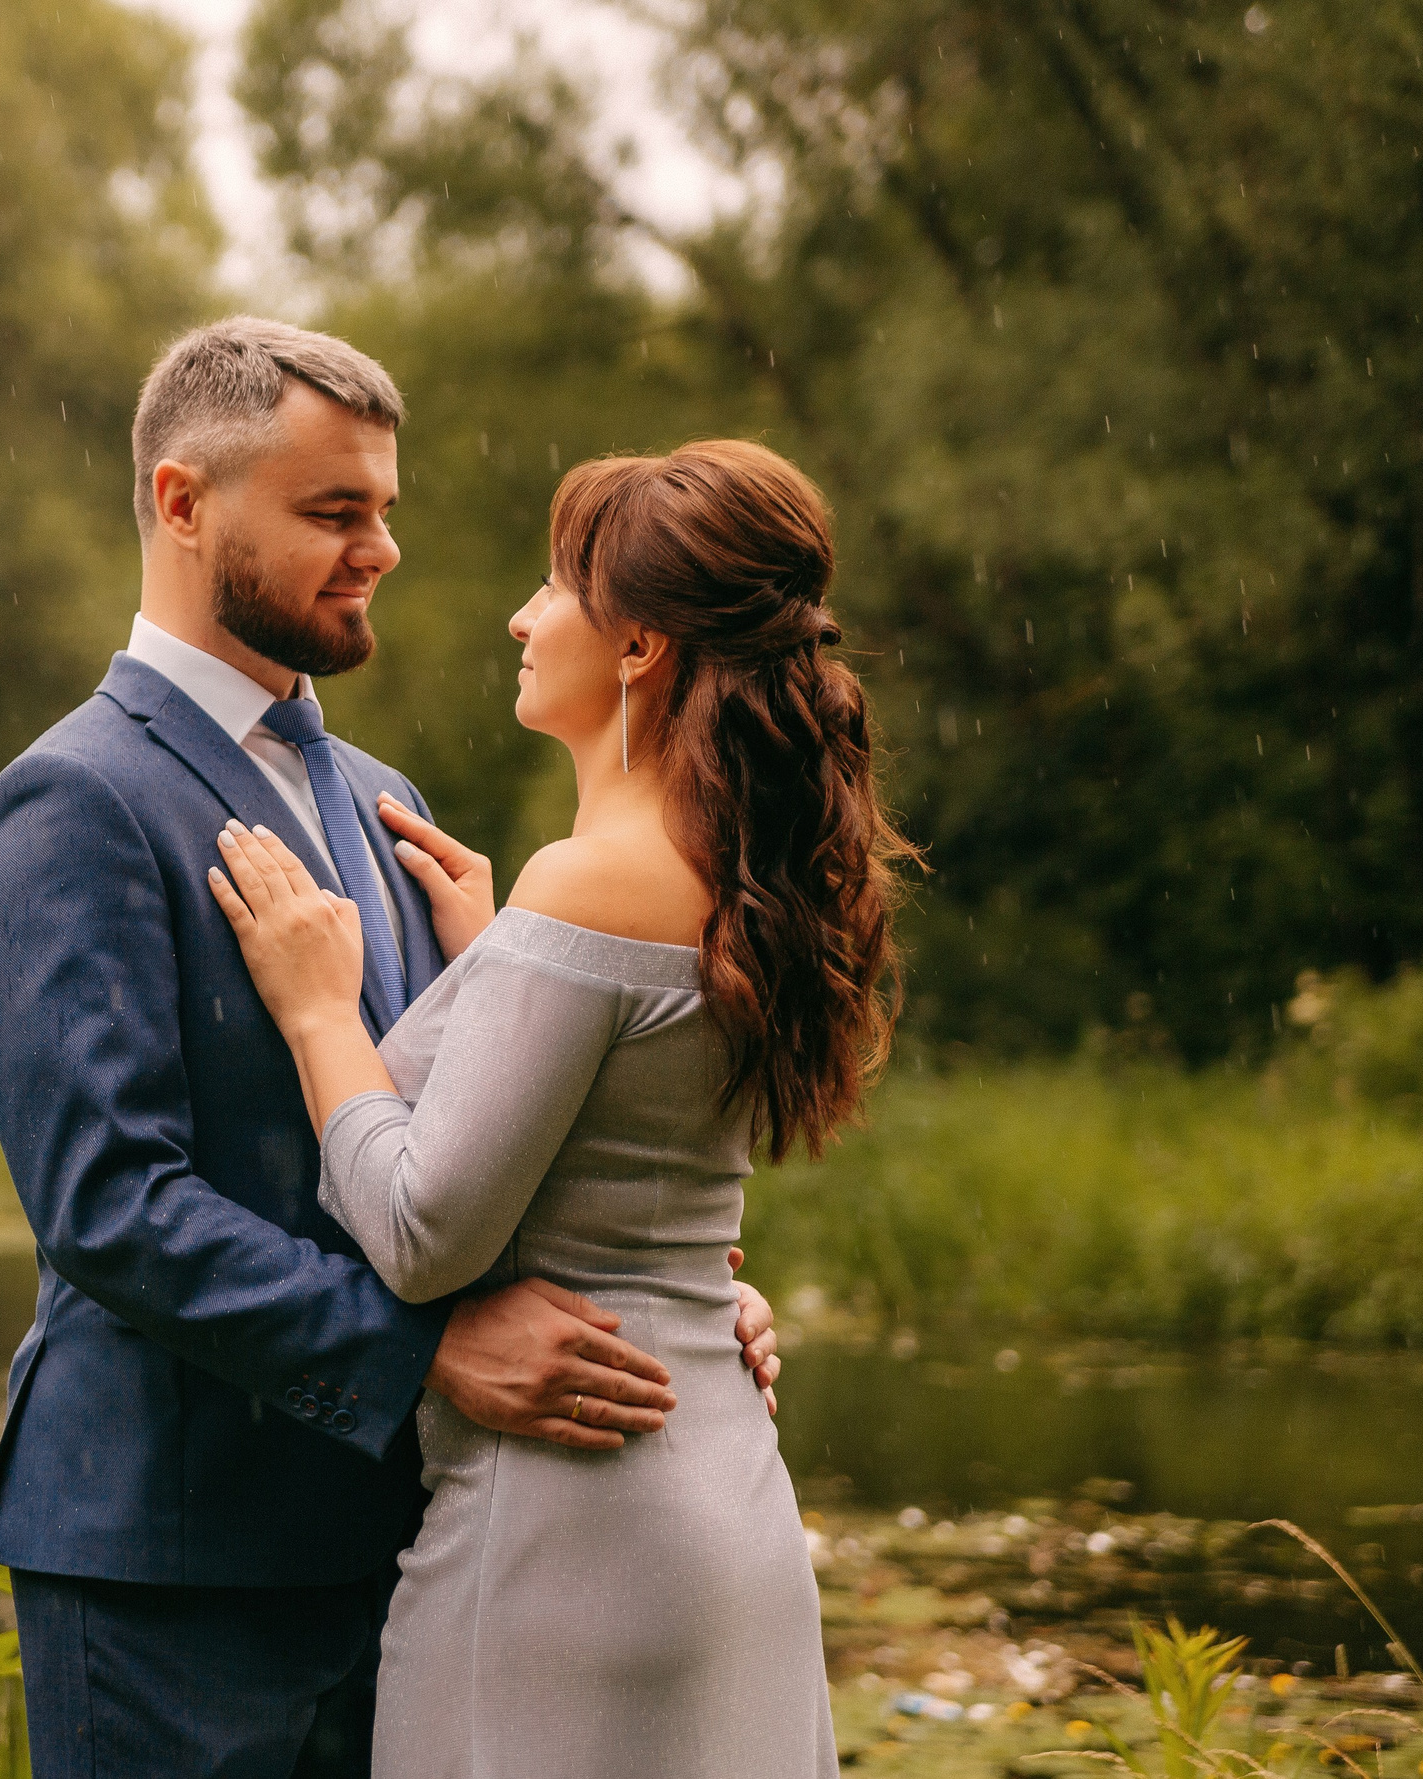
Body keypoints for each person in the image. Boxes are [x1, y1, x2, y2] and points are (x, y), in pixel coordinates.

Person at [0, 319, 782, 1778]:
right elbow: (111, 1208)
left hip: (405, 1550)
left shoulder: (387, 803)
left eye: (384, 510)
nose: (381, 547)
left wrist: (669, 1300)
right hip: (174, 1565)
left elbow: (467, 1147)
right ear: (184, 503)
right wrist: (428, 1355)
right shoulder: (69, 803)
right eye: (335, 512)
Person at [205, 436, 912, 1777]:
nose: (524, 617)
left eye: (555, 588)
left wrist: (316, 1009)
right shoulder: (738, 872)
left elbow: (425, 1234)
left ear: (640, 645)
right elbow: (627, 1149)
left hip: (571, 1531)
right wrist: (495, 971)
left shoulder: (586, 884)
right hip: (716, 1499)